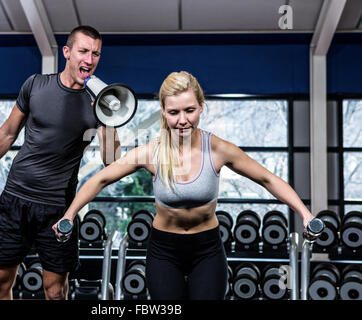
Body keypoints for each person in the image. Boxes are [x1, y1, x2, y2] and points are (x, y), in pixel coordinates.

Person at [53, 70, 316, 300]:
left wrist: (304, 214)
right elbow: (101, 178)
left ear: (202, 106)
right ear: (163, 112)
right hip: (164, 251)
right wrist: (69, 214)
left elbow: (268, 179)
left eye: (190, 110)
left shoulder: (218, 149)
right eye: (174, 112)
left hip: (207, 249)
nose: (182, 120)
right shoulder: (152, 152)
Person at [0, 25, 121, 300]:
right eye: (83, 51)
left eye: (96, 54)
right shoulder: (36, 84)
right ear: (67, 52)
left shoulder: (97, 102)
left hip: (58, 208)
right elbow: (7, 132)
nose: (89, 59)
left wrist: (108, 116)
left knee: (55, 291)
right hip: (16, 198)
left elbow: (111, 160)